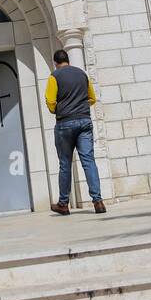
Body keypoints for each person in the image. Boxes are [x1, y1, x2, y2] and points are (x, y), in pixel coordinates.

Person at [44, 49, 105, 215]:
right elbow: (92, 97)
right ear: (68, 60)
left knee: (65, 164)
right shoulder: (82, 74)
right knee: (89, 161)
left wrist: (57, 109)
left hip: (65, 123)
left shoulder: (54, 77)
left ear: (55, 62)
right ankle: (98, 201)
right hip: (84, 121)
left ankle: (63, 204)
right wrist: (80, 107)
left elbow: (50, 100)